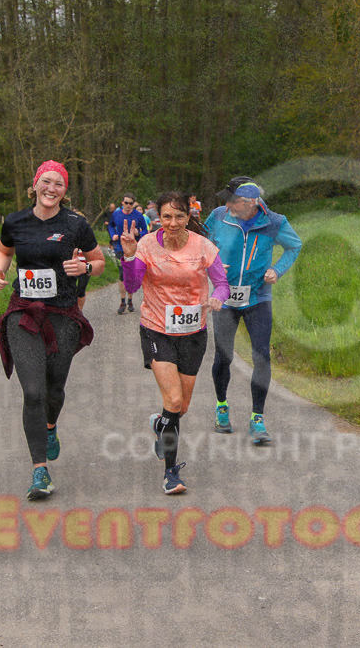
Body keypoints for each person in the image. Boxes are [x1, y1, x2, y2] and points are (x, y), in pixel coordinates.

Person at [0, 160, 106, 499]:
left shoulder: (75, 224)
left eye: (59, 184)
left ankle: (51, 426)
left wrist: (84, 266)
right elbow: (4, 250)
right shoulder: (15, 221)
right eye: (47, 182)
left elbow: (98, 263)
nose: (52, 189)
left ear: (65, 191)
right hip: (23, 312)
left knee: (54, 390)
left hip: (63, 314)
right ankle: (39, 471)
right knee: (33, 392)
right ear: (36, 184)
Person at [121, 191, 229, 494]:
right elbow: (131, 285)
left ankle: (162, 424)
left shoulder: (203, 247)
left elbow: (222, 284)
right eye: (166, 216)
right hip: (157, 329)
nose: (172, 223)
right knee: (173, 400)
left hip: (194, 333)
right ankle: (171, 473)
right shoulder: (146, 245)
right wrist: (129, 256)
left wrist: (217, 299)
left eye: (179, 216)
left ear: (188, 218)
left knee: (180, 408)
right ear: (159, 218)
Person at [204, 178, 302, 444]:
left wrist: (277, 270)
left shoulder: (274, 222)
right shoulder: (218, 216)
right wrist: (210, 265)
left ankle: (257, 418)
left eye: (233, 200)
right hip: (224, 297)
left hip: (257, 297)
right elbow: (203, 245)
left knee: (261, 356)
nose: (227, 204)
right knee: (223, 357)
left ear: (250, 203)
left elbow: (295, 246)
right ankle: (221, 406)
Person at [108, 195, 148, 314]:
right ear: (122, 203)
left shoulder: (138, 216)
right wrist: (112, 235)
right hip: (120, 247)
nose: (128, 205)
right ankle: (122, 301)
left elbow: (145, 230)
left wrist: (139, 232)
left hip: (132, 248)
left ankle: (130, 300)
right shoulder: (116, 214)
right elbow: (110, 225)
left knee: (129, 273)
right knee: (121, 274)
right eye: (126, 203)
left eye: (131, 203)